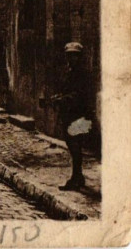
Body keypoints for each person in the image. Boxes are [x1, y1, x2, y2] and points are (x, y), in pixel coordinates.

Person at [52, 42, 92, 191]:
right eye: (69, 55)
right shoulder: (69, 71)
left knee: (75, 146)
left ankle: (76, 178)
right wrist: (59, 96)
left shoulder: (82, 74)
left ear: (79, 57)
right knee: (72, 145)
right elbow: (67, 90)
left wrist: (62, 99)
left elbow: (79, 95)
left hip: (79, 114)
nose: (71, 58)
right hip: (69, 113)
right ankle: (78, 177)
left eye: (74, 56)